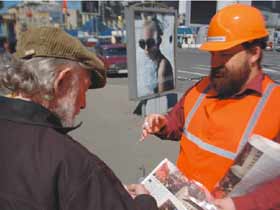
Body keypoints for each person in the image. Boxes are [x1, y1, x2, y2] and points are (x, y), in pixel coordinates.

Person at [0, 26, 158, 210]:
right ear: (61, 82)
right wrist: (144, 201)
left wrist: (98, 193)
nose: (83, 104)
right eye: (83, 89)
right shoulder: (72, 164)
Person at [140, 4, 280, 210]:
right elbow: (176, 122)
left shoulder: (275, 104)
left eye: (224, 55)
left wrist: (238, 205)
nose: (215, 63)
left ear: (254, 53)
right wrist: (162, 124)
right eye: (212, 54)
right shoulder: (200, 89)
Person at [137, 18, 174, 97]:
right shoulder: (149, 61)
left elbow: (160, 98)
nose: (146, 48)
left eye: (150, 42)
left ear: (159, 41)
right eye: (142, 43)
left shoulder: (163, 65)